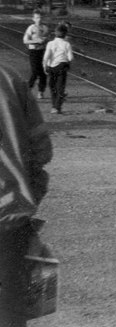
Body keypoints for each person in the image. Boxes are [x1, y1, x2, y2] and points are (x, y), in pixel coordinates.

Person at [0, 59, 52, 327]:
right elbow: (41, 150)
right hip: (8, 220)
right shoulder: (9, 78)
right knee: (10, 309)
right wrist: (25, 197)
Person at [42, 24, 73, 115]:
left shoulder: (50, 43)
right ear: (65, 34)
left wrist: (45, 66)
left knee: (52, 87)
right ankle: (57, 107)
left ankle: (53, 106)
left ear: (55, 33)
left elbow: (46, 57)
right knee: (60, 88)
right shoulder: (67, 44)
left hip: (51, 67)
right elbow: (70, 58)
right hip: (62, 66)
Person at [22, 10, 49, 100]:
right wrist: (36, 41)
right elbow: (25, 40)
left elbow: (47, 38)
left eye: (40, 17)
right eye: (37, 18)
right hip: (33, 51)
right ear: (33, 19)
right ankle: (28, 89)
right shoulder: (31, 28)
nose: (39, 19)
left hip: (42, 51)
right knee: (35, 71)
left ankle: (41, 91)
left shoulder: (45, 28)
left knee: (43, 73)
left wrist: (45, 40)